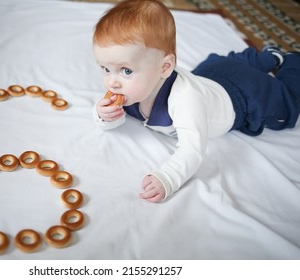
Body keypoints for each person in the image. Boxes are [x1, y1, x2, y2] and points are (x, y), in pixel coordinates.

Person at [92, 0, 300, 202]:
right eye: (105, 69)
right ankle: (269, 57)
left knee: (286, 106)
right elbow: (113, 119)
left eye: (126, 70)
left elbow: (192, 149)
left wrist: (168, 177)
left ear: (165, 67)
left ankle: (291, 60)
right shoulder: (132, 89)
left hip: (241, 96)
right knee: (229, 64)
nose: (112, 82)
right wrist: (104, 115)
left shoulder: (185, 100)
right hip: (210, 75)